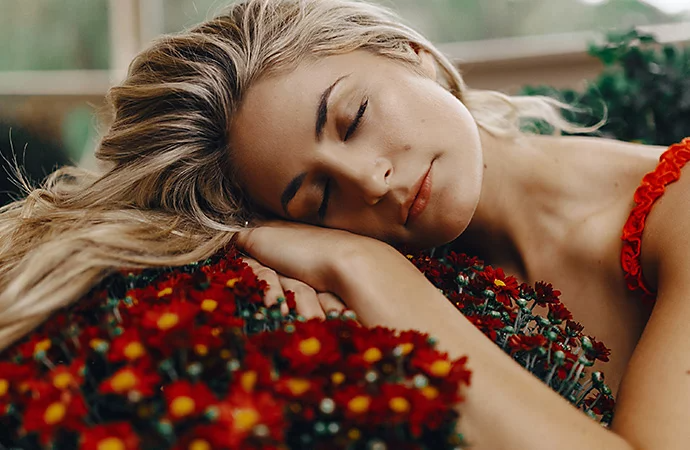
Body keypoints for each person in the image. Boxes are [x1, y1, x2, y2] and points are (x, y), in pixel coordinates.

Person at [0, 0, 687, 448]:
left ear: (404, 50)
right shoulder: (445, 277)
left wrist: (373, 275)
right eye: (317, 199)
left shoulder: (678, 205)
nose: (369, 181)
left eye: (351, 118)